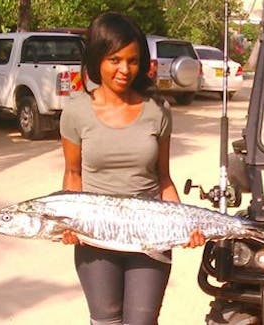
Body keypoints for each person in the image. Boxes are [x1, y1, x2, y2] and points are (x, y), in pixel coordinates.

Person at [59, 12, 205, 325]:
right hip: (95, 238)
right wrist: (70, 222)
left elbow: (163, 178)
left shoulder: (157, 109)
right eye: (114, 60)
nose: (124, 70)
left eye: (133, 60)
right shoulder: (75, 111)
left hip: (152, 233)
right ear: (97, 59)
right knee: (106, 321)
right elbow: (73, 175)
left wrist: (184, 225)